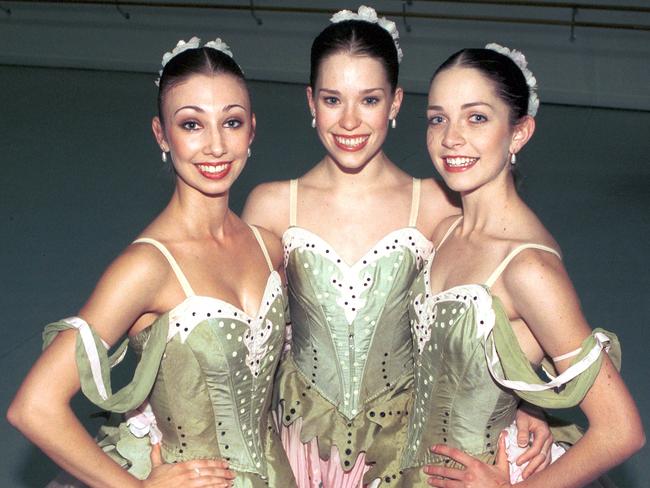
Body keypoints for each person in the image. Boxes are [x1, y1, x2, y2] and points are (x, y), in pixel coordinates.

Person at [243, 7, 552, 487]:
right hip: (298, 445)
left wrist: (532, 402)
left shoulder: (436, 204)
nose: (349, 120)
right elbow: (244, 324)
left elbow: (507, 307)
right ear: (310, 101)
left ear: (395, 102)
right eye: (331, 99)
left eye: (369, 99)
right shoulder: (271, 205)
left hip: (406, 452)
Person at [8, 37, 296, 488]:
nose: (216, 146)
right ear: (162, 134)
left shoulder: (268, 246)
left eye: (232, 122)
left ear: (252, 130)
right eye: (191, 125)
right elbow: (34, 407)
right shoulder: (147, 267)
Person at [398, 44, 645, 487]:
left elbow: (621, 430)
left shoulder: (528, 268)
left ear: (518, 133)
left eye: (476, 117)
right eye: (438, 118)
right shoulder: (447, 229)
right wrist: (528, 404)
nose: (451, 138)